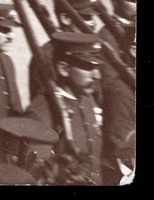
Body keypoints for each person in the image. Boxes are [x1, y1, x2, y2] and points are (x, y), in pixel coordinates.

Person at [23, 32, 106, 183]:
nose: (97, 75)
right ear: (64, 69)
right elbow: (36, 174)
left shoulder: (86, 100)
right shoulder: (42, 110)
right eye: (88, 66)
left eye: (97, 66)